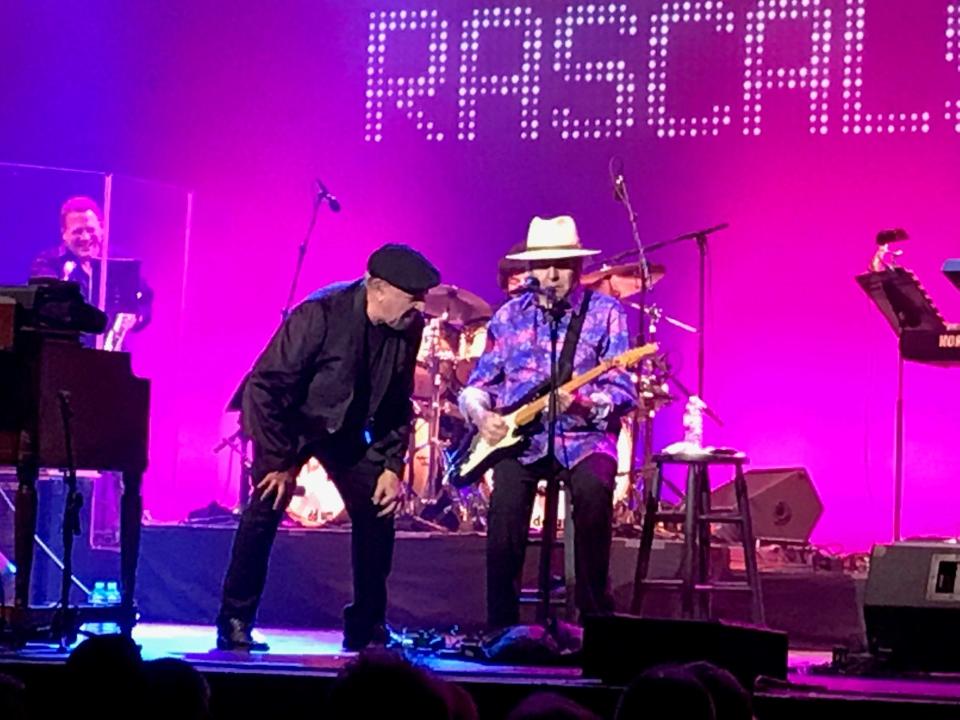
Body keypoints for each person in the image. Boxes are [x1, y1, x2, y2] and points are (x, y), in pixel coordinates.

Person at [217, 244, 440, 652]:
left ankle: (366, 625)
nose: (419, 309)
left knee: (377, 509)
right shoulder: (320, 313)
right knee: (264, 511)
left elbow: (397, 400)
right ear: (378, 288)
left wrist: (391, 464)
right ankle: (235, 619)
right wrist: (278, 462)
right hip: (290, 424)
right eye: (412, 299)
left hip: (345, 430)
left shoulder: (408, 326)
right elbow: (265, 387)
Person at [459, 216, 637, 628]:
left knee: (594, 492)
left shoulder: (606, 314)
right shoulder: (507, 317)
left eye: (562, 265)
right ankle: (500, 625)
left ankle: (595, 623)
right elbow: (477, 386)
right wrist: (482, 416)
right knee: (504, 507)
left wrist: (583, 404)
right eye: (544, 265)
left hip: (585, 439)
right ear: (529, 270)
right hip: (522, 442)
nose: (552, 274)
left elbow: (623, 392)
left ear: (576, 268)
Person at [30, 195, 152, 348]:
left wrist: (135, 318)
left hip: (112, 355)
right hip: (63, 352)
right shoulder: (48, 263)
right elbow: (46, 307)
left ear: (101, 228)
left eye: (90, 230)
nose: (85, 237)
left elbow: (144, 302)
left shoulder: (120, 262)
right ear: (64, 233)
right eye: (77, 232)